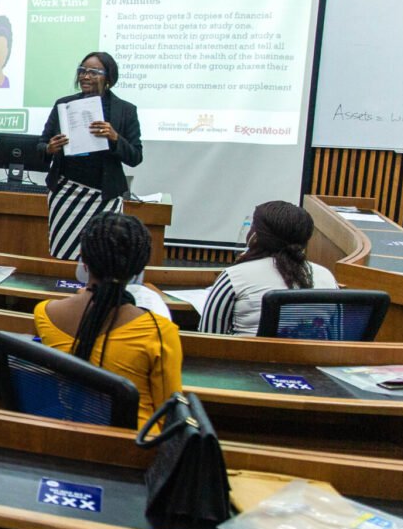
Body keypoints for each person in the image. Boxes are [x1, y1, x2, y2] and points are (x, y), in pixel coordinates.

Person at [33, 213, 182, 430]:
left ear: (83, 259)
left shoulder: (44, 313)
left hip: (64, 440)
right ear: (139, 268)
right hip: (134, 451)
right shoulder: (160, 332)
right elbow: (170, 416)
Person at [37, 51, 143, 261]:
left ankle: (97, 294)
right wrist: (50, 148)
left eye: (94, 72)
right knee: (63, 255)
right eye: (82, 70)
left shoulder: (125, 111)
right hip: (65, 193)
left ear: (109, 78)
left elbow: (136, 156)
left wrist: (114, 138)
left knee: (103, 257)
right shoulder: (63, 105)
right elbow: (40, 145)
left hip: (105, 197)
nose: (85, 76)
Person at [199, 201, 338, 336]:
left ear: (255, 235)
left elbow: (208, 337)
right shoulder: (326, 276)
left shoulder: (234, 277)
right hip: (312, 359)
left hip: (246, 359)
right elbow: (337, 335)